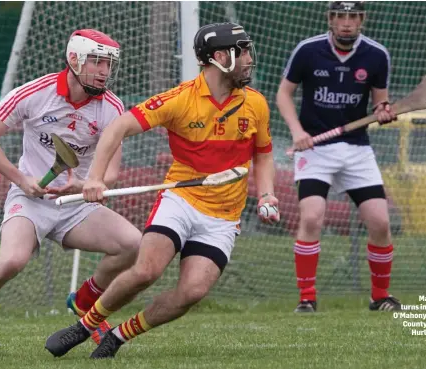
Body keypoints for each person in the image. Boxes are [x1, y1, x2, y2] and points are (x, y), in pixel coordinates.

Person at [44, 22, 280, 359]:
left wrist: (268, 193)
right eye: (240, 52)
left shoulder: (255, 104)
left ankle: (119, 336)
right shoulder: (181, 99)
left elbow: (264, 154)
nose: (247, 59)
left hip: (224, 216)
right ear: (218, 57)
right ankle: (85, 325)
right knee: (146, 270)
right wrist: (95, 177)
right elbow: (118, 127)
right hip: (181, 200)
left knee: (191, 293)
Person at [0, 29, 142, 358]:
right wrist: (20, 178)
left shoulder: (111, 107)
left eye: (108, 64)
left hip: (75, 204)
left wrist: (89, 185)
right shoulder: (35, 93)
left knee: (133, 244)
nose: (103, 71)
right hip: (30, 199)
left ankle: (85, 302)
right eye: (96, 61)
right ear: (74, 59)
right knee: (12, 260)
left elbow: (110, 172)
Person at [276, 1, 400, 313]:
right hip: (314, 148)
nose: (346, 23)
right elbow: (283, 94)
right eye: (340, 16)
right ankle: (307, 298)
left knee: (380, 222)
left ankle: (380, 297)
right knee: (312, 217)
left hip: (357, 148)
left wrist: (383, 112)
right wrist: (296, 131)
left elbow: (379, 104)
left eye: (353, 16)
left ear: (362, 20)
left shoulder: (376, 55)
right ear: (330, 19)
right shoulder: (308, 50)